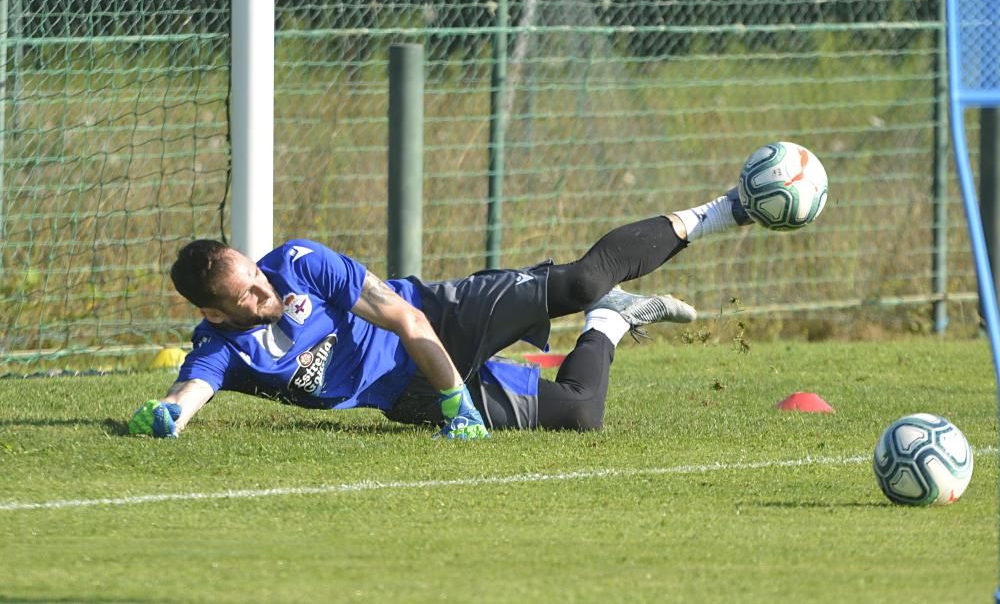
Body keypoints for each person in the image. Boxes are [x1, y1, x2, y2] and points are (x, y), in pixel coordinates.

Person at [128, 187, 752, 440]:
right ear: (214, 313)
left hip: (440, 317)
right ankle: (610, 321)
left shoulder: (300, 263)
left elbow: (407, 322)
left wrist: (457, 400)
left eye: (258, 279)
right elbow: (191, 388)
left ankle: (724, 208)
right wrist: (168, 415)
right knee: (582, 413)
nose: (265, 292)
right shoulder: (219, 348)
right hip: (405, 396)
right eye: (248, 297)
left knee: (581, 280)